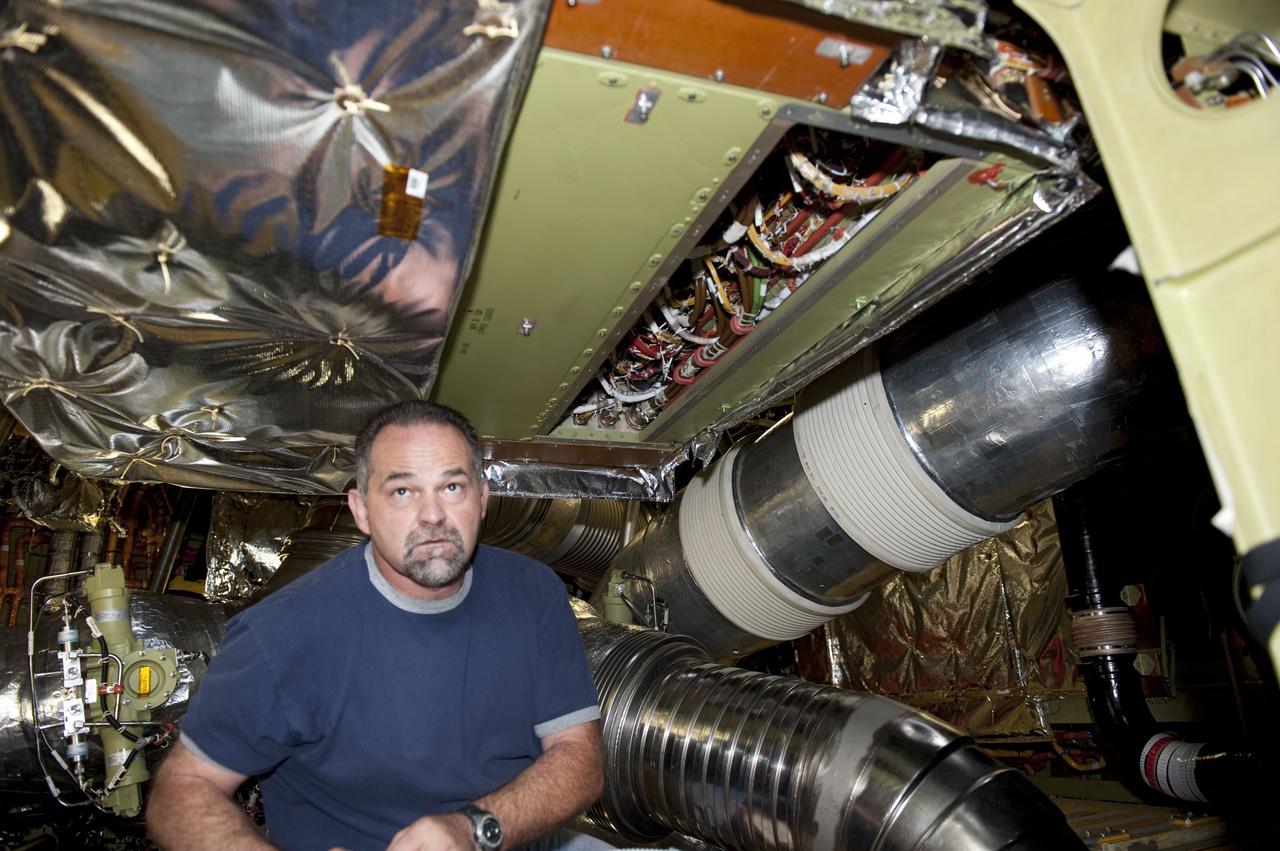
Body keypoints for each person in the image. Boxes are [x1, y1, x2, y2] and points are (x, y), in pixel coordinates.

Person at [146, 401, 606, 850]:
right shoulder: (281, 635)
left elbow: (579, 759)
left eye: (451, 487)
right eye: (402, 491)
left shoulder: (533, 592)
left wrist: (475, 828)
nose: (432, 515)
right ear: (361, 510)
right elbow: (181, 792)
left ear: (482, 499)